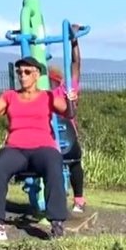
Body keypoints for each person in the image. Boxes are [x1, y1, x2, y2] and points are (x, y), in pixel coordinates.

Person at [0, 56, 76, 241]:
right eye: (19, 72)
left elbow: (68, 112)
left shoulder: (48, 96)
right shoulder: (10, 96)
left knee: (54, 163)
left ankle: (56, 223)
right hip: (16, 148)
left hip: (43, 147)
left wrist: (70, 100)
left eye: (27, 72)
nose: (22, 76)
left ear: (37, 75)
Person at [49, 24, 86, 212]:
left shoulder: (65, 89)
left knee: (74, 160)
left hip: (65, 133)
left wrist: (73, 41)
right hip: (48, 134)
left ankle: (79, 199)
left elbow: (76, 64)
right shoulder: (41, 93)